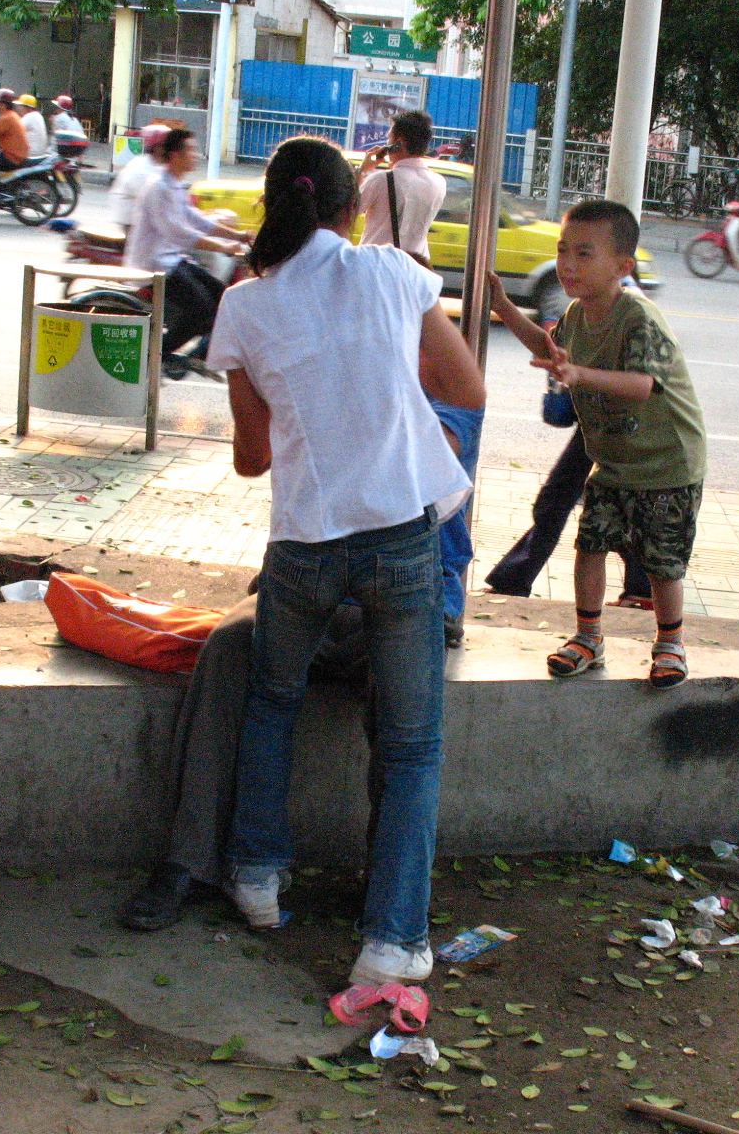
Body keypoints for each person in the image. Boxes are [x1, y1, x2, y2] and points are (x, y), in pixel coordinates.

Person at [206, 136, 484, 987]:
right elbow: (466, 388)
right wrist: (398, 412)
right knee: (410, 745)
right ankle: (391, 940)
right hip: (401, 537)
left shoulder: (245, 307)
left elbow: (253, 459)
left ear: (274, 204)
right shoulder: (395, 275)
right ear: (347, 207)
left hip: (304, 545)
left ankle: (257, 876)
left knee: (271, 701)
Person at [487, 199, 706, 689]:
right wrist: (503, 306)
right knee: (590, 544)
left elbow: (643, 385)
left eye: (585, 254)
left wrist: (579, 373)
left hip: (667, 463)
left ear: (623, 267)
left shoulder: (637, 317)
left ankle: (670, 643)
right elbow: (550, 348)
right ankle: (588, 638)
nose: (567, 264)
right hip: (614, 461)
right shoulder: (577, 314)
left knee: (662, 563)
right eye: (564, 251)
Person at [125, 127, 251, 376]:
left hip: (173, 261)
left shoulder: (175, 185)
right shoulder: (159, 187)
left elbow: (198, 220)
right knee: (203, 309)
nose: (195, 155)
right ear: (174, 155)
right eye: (190, 150)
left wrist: (238, 236)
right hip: (155, 265)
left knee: (224, 297)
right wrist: (223, 246)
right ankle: (158, 356)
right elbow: (180, 233)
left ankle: (195, 358)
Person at [482, 427, 656, 607]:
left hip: (612, 424)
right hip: (603, 425)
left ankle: (513, 580)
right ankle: (642, 586)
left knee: (558, 501)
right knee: (560, 501)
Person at [356, 110, 446, 267]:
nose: (386, 143)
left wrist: (362, 170)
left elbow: (348, 210)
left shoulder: (381, 180)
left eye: (389, 137)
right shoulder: (439, 182)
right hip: (415, 268)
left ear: (399, 143)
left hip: (377, 266)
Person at [108, 122, 176, 231]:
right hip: (135, 226)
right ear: (158, 147)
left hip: (146, 223)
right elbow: (158, 202)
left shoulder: (153, 165)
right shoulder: (143, 170)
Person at [51, 94, 89, 160]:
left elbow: (55, 136)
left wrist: (53, 123)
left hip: (60, 156)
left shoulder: (60, 118)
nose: (56, 109)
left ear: (60, 108)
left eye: (57, 107)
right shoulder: (74, 119)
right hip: (74, 156)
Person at [16, 93, 50, 158]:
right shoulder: (38, 115)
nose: (19, 108)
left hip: (31, 155)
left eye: (21, 106)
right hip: (40, 154)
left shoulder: (30, 116)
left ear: (28, 107)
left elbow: (15, 129)